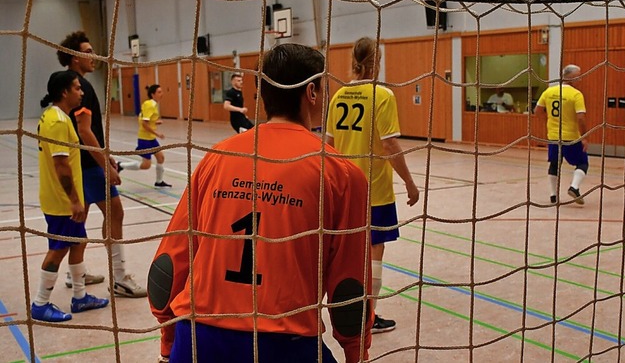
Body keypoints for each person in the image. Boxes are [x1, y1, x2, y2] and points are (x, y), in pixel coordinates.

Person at [148, 44, 373, 363]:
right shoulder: (340, 172)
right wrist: (355, 353)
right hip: (283, 341)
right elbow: (350, 284)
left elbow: (171, 259)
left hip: (197, 336)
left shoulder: (218, 156)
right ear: (312, 92)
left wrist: (168, 343)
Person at [326, 37, 420, 334]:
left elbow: (328, 144)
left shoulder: (339, 94)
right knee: (374, 250)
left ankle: (344, 311)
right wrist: (409, 182)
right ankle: (368, 317)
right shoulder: (382, 95)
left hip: (341, 187)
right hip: (373, 189)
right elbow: (390, 143)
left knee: (345, 252)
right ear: (376, 62)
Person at [58, 31, 147, 298]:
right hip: (87, 164)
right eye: (88, 50)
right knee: (116, 213)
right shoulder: (80, 88)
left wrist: (105, 154)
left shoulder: (72, 85)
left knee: (79, 218)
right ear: (75, 58)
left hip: (81, 163)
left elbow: (88, 129)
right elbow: (85, 132)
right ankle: (119, 279)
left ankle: (76, 273)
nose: (94, 55)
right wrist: (105, 166)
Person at [31, 70, 110, 322]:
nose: (82, 91)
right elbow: (61, 166)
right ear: (64, 92)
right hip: (61, 200)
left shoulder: (56, 117)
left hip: (60, 197)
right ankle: (40, 303)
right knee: (58, 249)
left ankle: (80, 297)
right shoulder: (57, 121)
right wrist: (75, 200)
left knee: (79, 242)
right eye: (77, 88)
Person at [535, 64, 589, 205]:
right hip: (571, 137)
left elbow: (537, 111)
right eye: (579, 75)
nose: (581, 79)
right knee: (582, 163)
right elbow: (581, 118)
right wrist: (584, 137)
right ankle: (574, 188)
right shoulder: (576, 94)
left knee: (554, 164)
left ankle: (553, 195)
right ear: (572, 77)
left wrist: (549, 122)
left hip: (553, 137)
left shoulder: (549, 91)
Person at [118, 84, 172, 188]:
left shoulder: (152, 104)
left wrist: (155, 122)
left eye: (162, 91)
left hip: (151, 139)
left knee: (160, 157)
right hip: (145, 139)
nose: (162, 94)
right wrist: (158, 134)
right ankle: (120, 165)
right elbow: (144, 123)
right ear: (153, 94)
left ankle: (159, 182)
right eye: (159, 92)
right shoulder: (150, 105)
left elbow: (145, 119)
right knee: (146, 165)